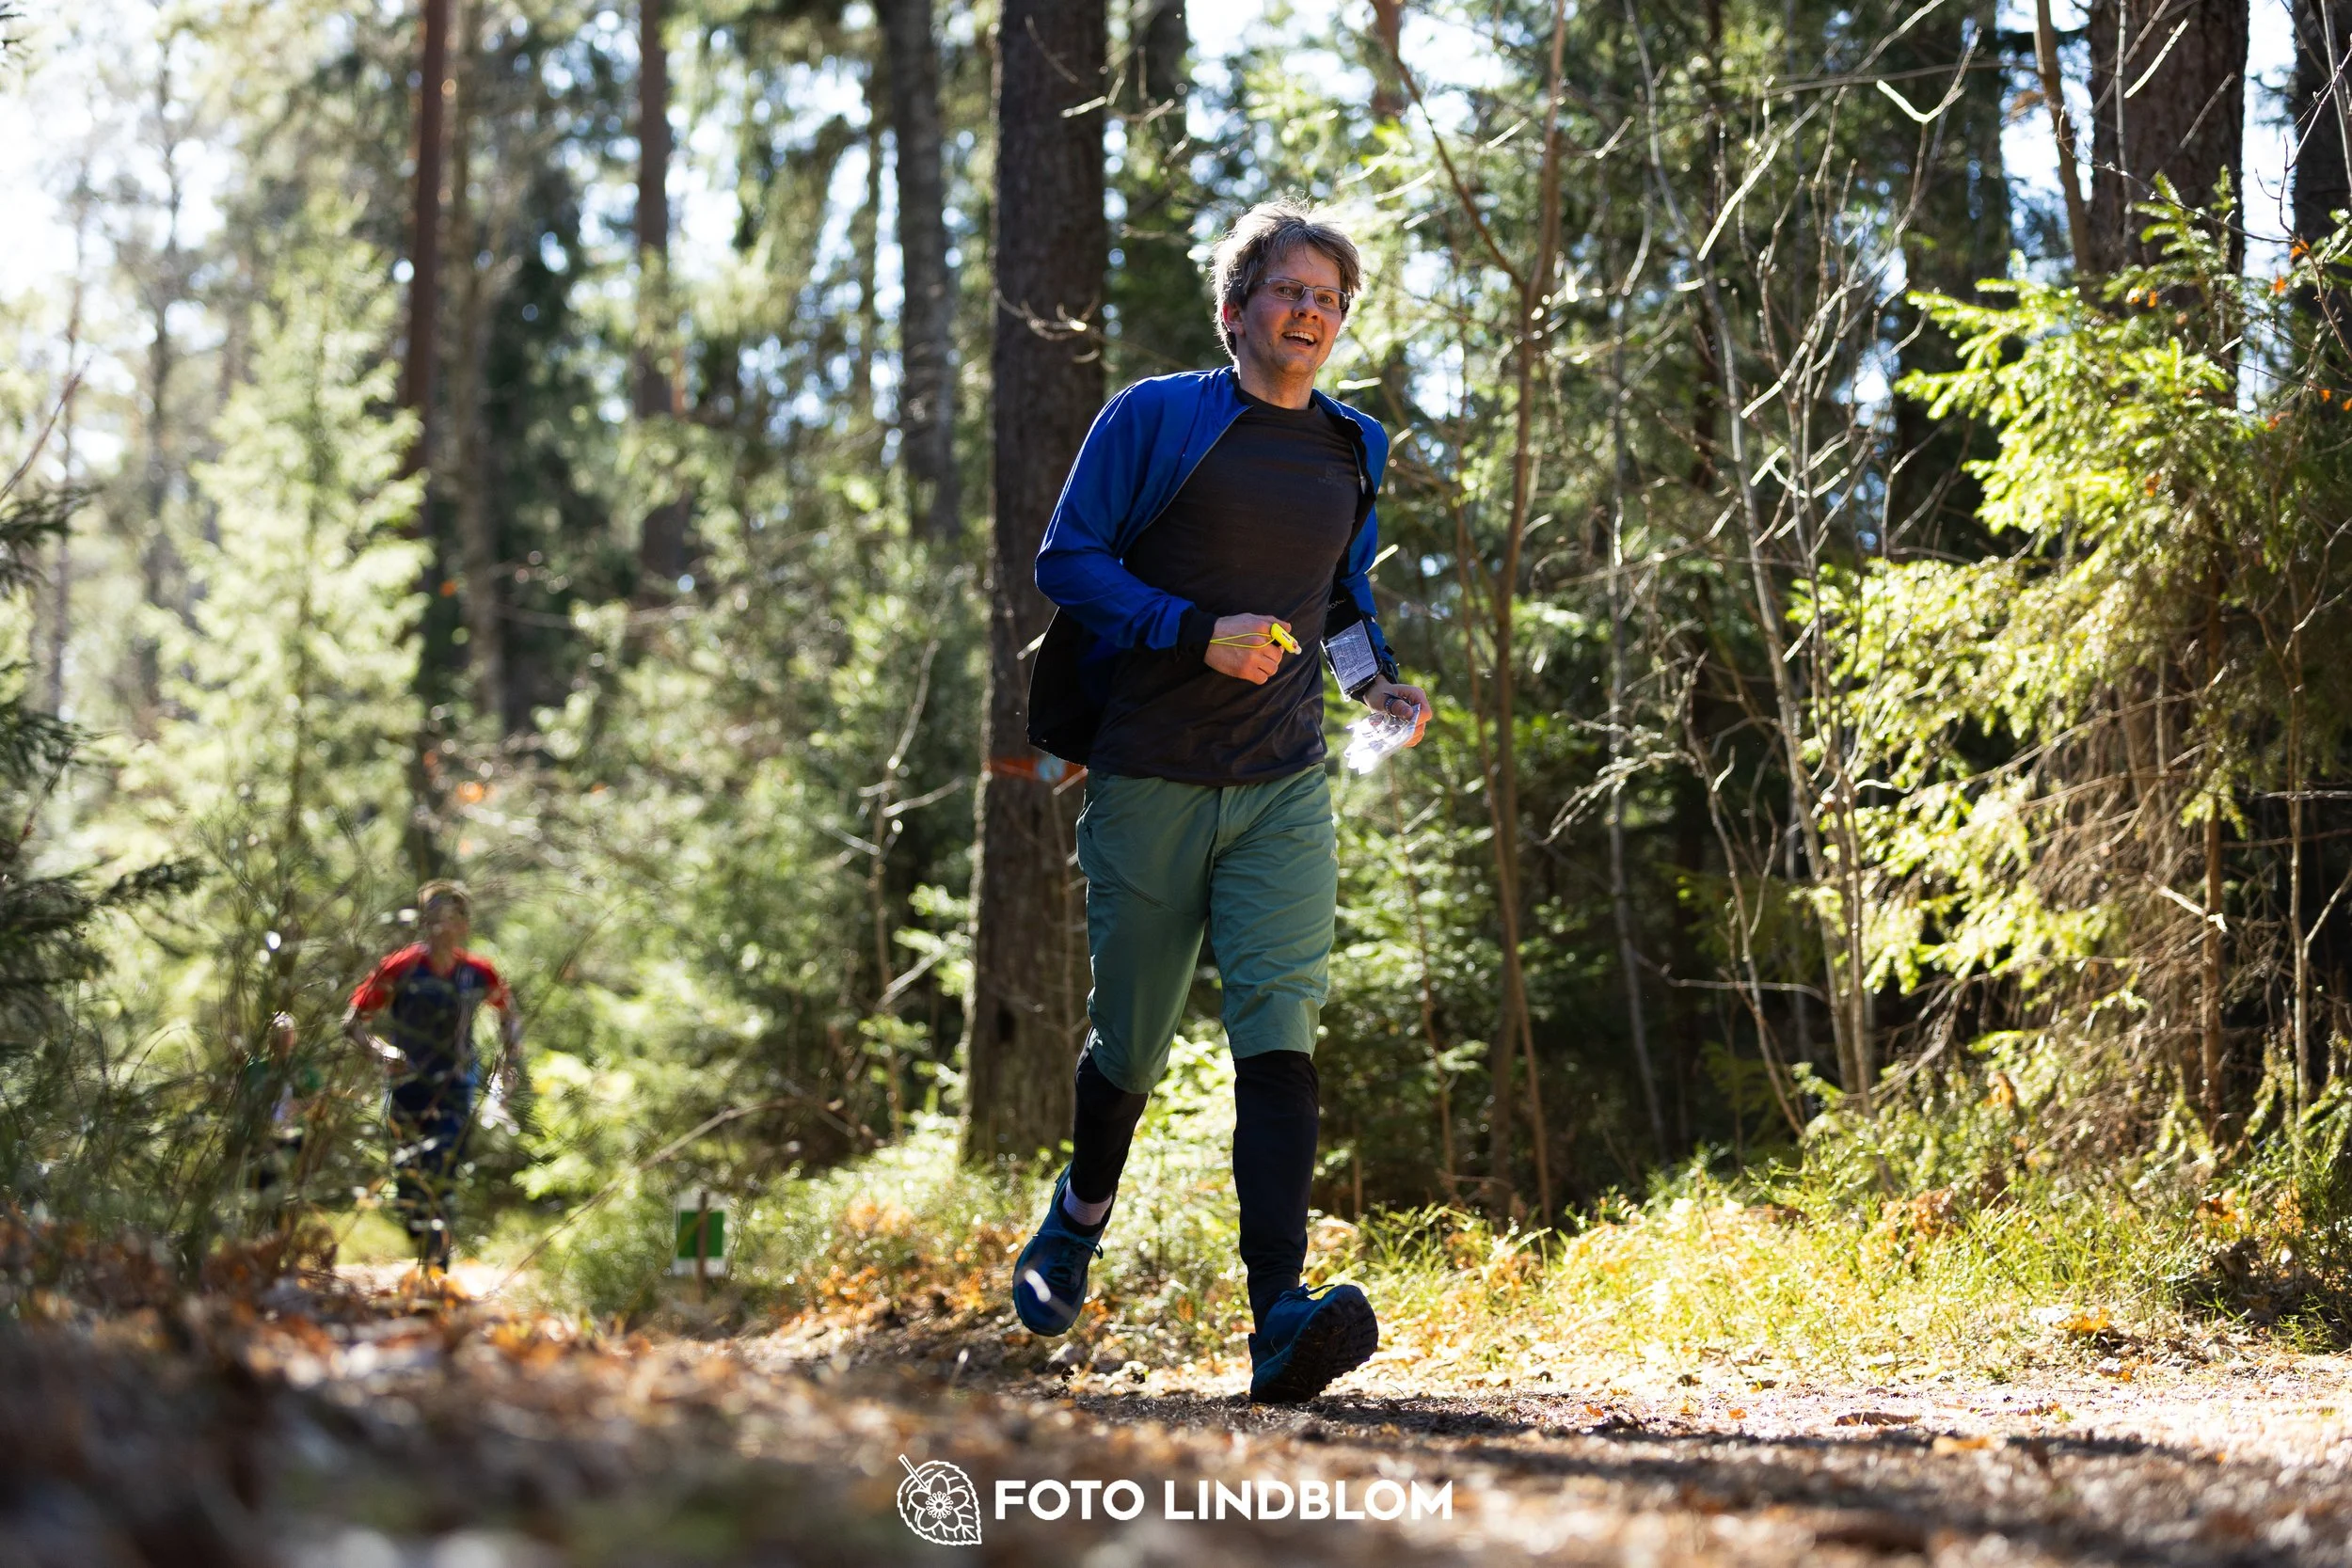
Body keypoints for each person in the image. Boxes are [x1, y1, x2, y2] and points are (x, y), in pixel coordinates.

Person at [1013, 200, 1429, 1403]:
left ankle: (1276, 1317)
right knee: (1131, 1039)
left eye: (1328, 299)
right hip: (1147, 773)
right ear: (1238, 303)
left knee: (1278, 1031)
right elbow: (1068, 560)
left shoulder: (1352, 447)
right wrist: (1195, 631)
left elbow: (1338, 595)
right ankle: (1078, 1215)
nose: (1309, 312)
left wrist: (1371, 685)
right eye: (1288, 290)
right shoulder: (1156, 416)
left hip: (1284, 783)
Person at [343, 881, 521, 1272]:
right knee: (408, 1178)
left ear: (464, 924)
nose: (443, 925)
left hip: (457, 1085)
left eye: (453, 916)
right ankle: (419, 1235)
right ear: (423, 921)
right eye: (435, 916)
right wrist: (382, 1052)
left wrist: (508, 1061)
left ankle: (438, 1263)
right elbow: (353, 1022)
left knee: (443, 1167)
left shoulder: (478, 973)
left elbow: (508, 1015)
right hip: (407, 1085)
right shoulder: (400, 967)